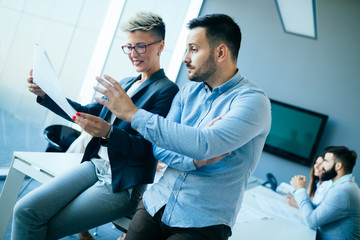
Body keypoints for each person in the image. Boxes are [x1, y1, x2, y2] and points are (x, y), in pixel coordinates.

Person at [91, 13, 271, 240]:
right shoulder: (187, 92)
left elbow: (205, 144)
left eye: (194, 49)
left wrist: (134, 114)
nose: (185, 57)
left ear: (221, 52)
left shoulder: (253, 102)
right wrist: (194, 158)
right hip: (156, 204)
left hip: (203, 222)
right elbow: (160, 148)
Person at [12, 11, 179, 240]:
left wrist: (109, 133)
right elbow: (86, 112)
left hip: (122, 183)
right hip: (95, 166)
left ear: (160, 46)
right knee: (24, 210)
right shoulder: (127, 83)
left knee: (40, 225)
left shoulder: (166, 91)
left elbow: (149, 149)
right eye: (129, 47)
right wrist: (45, 93)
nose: (133, 54)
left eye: (141, 46)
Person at [290, 146, 360, 240]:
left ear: (338, 166)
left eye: (326, 161)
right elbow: (317, 210)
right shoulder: (342, 186)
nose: (322, 166)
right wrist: (299, 190)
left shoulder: (343, 191)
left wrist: (300, 190)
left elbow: (311, 221)